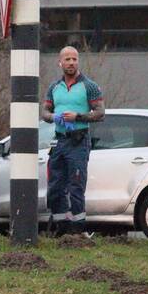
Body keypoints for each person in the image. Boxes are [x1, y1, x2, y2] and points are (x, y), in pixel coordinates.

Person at [40, 46, 104, 237]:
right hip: (59, 142)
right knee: (55, 187)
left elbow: (100, 113)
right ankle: (61, 227)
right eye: (67, 59)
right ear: (60, 62)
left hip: (78, 141)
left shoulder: (89, 86)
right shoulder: (54, 87)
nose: (71, 63)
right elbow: (44, 112)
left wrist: (77, 116)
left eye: (74, 59)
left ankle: (78, 229)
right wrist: (53, 117)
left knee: (76, 185)